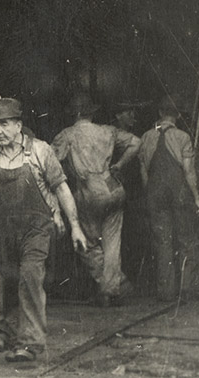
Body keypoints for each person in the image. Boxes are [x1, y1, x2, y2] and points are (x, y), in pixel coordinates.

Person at [0, 98, 89, 363]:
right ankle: (3, 333)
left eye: (4, 124)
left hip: (35, 230)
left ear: (19, 125)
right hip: (1, 231)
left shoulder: (41, 151)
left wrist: (76, 227)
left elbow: (61, 188)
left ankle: (29, 343)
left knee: (29, 276)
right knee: (1, 281)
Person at [51, 92, 139, 306]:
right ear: (91, 113)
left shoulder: (67, 135)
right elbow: (137, 142)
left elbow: (49, 162)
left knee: (87, 243)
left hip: (88, 189)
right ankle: (112, 288)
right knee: (112, 241)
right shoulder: (108, 131)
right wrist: (119, 165)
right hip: (113, 186)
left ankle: (113, 285)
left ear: (75, 114)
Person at [138, 97, 199, 301]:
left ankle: (165, 291)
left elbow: (144, 172)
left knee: (163, 242)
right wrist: (197, 198)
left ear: (160, 114)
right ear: (177, 115)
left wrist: (149, 195)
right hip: (179, 191)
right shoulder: (182, 136)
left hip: (155, 191)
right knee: (187, 238)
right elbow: (188, 171)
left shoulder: (146, 137)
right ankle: (188, 288)